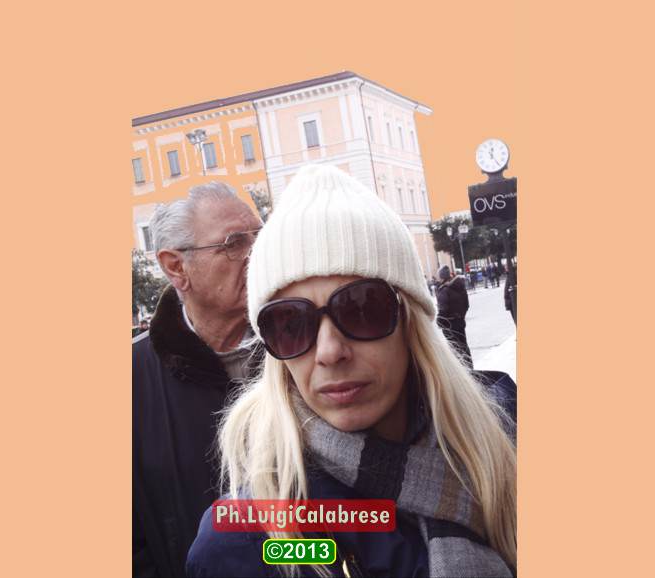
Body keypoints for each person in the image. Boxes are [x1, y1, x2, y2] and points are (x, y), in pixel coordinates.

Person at [186, 165, 516, 577]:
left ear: (409, 320)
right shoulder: (246, 543)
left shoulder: (509, 438)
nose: (329, 352)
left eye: (362, 308)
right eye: (289, 323)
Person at [133, 182, 264, 577]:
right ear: (176, 267)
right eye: (234, 243)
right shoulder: (131, 379)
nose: (257, 251)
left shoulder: (301, 352)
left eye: (260, 236)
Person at [435, 265, 473, 368]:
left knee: (455, 350)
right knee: (464, 346)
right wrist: (461, 316)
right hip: (460, 321)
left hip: (450, 325)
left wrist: (439, 322)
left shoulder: (444, 290)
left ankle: (462, 372)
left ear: (441, 277)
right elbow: (466, 305)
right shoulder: (460, 286)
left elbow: (443, 309)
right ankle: (470, 369)